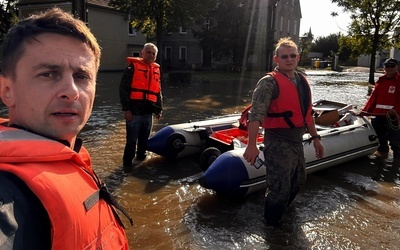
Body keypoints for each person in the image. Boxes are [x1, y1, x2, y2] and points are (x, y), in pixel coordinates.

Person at [0, 8, 132, 249]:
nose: (71, 91)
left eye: (82, 76)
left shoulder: (71, 155)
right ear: (7, 90)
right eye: (48, 74)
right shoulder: (9, 196)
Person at [243, 37, 324, 226]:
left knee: (299, 180)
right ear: (276, 59)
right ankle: (271, 227)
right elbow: (255, 115)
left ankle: (281, 214)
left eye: (292, 55)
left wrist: (316, 138)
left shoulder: (301, 81)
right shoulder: (268, 82)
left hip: (297, 141)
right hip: (278, 141)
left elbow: (307, 114)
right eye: (284, 56)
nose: (289, 59)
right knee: (280, 188)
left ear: (298, 57)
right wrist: (252, 145)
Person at [119, 43, 163, 167]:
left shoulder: (156, 69)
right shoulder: (132, 68)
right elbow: (123, 89)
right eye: (148, 52)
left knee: (144, 141)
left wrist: (159, 109)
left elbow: (158, 91)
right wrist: (126, 109)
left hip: (148, 112)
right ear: (142, 53)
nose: (151, 55)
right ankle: (127, 166)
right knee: (131, 142)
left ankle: (141, 163)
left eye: (153, 53)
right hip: (134, 112)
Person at [361, 58, 400, 159]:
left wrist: (395, 110)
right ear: (384, 68)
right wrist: (364, 111)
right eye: (387, 66)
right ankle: (382, 159)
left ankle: (395, 166)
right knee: (381, 144)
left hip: (394, 118)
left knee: (396, 144)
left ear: (397, 67)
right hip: (379, 117)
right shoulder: (381, 81)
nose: (389, 68)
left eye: (392, 66)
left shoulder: (399, 81)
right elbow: (373, 99)